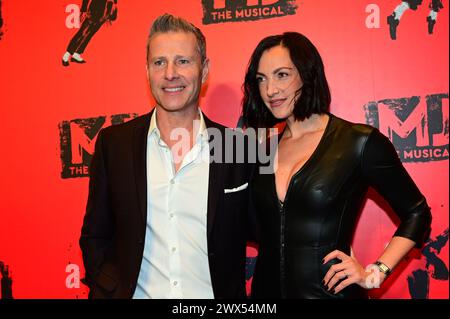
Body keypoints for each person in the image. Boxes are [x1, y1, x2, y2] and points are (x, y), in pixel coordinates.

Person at [241, 32, 432, 298]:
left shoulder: (358, 142)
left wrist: (375, 273)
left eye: (282, 75)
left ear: (307, 75)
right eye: (261, 79)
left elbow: (417, 213)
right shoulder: (261, 152)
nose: (270, 90)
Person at [80, 13, 254, 298]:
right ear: (147, 70)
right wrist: (108, 289)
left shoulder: (237, 148)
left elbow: (273, 231)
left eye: (183, 61)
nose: (170, 73)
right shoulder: (114, 145)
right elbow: (95, 235)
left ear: (205, 69)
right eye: (159, 62)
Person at [62, 0, 118, 66]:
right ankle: (67, 54)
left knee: (90, 34)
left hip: (104, 13)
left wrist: (112, 13)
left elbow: (114, 2)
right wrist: (84, 10)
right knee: (82, 33)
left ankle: (77, 53)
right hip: (94, 10)